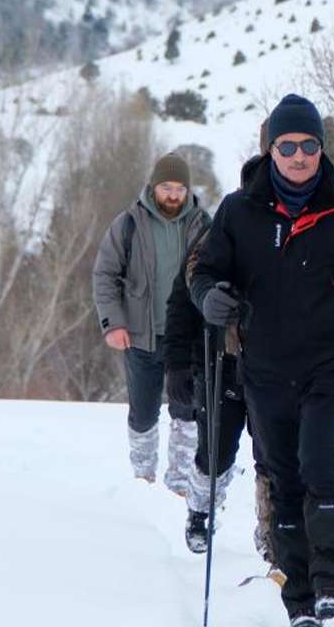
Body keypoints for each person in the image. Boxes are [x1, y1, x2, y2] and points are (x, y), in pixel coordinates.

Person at [190, 94, 334, 627]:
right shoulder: (239, 211)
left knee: (322, 466)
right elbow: (204, 272)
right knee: (284, 478)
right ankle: (300, 598)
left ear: (321, 149)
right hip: (262, 367)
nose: (300, 155)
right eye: (288, 146)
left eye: (310, 145)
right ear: (271, 151)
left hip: (329, 366)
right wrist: (209, 296)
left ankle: (333, 584)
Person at [163, 155, 279, 578]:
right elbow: (180, 306)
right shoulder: (214, 240)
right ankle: (199, 512)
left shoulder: (288, 240)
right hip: (218, 364)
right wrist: (177, 367)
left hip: (271, 367)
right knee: (215, 454)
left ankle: (272, 533)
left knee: (273, 457)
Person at [92, 152, 209, 492]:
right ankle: (142, 478)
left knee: (187, 412)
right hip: (140, 338)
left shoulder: (203, 225)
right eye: (166, 187)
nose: (173, 195)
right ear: (153, 187)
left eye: (179, 188)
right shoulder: (128, 224)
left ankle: (180, 482)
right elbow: (105, 275)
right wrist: (112, 323)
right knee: (143, 414)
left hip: (186, 341)